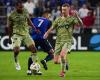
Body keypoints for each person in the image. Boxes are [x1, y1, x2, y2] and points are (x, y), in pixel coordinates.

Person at [43, 3, 83, 77]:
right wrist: (47, 33)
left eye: (64, 10)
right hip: (58, 41)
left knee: (62, 55)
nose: (63, 11)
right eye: (62, 10)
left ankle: (62, 72)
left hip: (67, 41)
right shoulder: (58, 19)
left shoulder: (72, 19)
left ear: (68, 9)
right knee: (55, 61)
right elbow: (52, 27)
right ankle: (65, 62)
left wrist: (77, 17)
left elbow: (81, 25)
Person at [8, 1, 39, 71]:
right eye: (20, 7)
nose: (22, 8)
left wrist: (35, 28)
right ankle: (16, 60)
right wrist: (9, 37)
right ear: (16, 7)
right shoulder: (12, 15)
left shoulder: (25, 11)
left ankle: (34, 65)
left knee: (34, 49)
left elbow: (29, 21)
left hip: (26, 34)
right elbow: (10, 27)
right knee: (16, 50)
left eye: (22, 7)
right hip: (17, 34)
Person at [27, 11, 54, 75]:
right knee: (52, 53)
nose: (49, 17)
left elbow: (27, 22)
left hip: (33, 38)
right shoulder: (49, 21)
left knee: (33, 54)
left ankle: (29, 70)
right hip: (42, 38)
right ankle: (44, 60)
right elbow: (48, 30)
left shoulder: (34, 19)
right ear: (45, 15)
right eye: (49, 16)